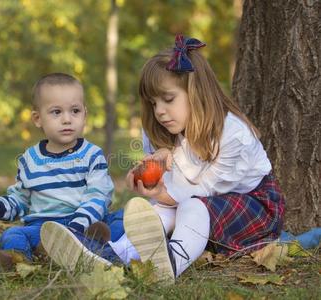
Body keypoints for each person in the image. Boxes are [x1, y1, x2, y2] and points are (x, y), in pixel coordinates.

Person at [43, 34, 285, 283]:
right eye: (153, 102)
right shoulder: (163, 130)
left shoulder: (233, 135)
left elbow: (204, 190)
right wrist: (148, 179)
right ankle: (114, 257)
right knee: (155, 213)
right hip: (197, 207)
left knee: (189, 206)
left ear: (197, 93)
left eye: (168, 99)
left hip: (254, 207)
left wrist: (163, 187)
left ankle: (171, 262)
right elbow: (172, 191)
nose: (159, 111)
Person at [0, 72, 122, 269]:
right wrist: (0, 206)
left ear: (85, 114)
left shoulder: (92, 154)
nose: (67, 119)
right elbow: (21, 200)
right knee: (12, 234)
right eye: (56, 112)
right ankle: (18, 260)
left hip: (82, 224)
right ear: (38, 118)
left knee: (120, 221)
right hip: (42, 227)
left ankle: (106, 256)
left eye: (75, 111)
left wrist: (75, 226)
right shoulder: (30, 160)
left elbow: (98, 196)